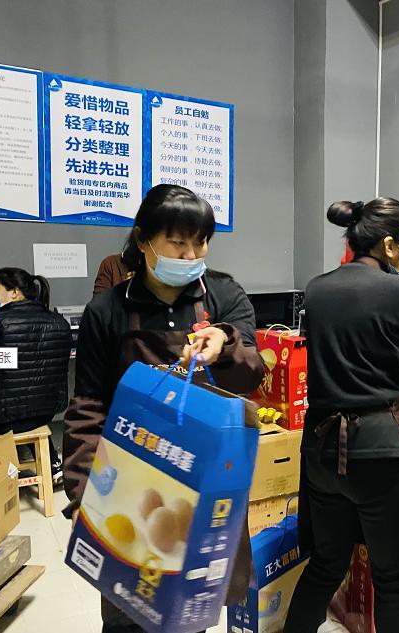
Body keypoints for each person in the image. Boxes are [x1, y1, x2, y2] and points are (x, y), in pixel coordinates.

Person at [62, 184, 265, 633]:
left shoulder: (223, 296)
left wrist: (225, 345)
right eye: (178, 242)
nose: (192, 254)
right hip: (130, 481)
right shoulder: (108, 310)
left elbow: (251, 375)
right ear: (143, 240)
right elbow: (88, 406)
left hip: (203, 481)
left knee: (189, 610)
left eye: (201, 242)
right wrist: (82, 493)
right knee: (126, 602)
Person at [285, 198, 399, 633]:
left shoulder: (317, 289)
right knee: (393, 580)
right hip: (380, 450)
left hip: (321, 449)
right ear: (390, 246)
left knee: (326, 564)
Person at [0, 269, 72, 482]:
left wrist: (3, 358)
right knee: (24, 405)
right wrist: (8, 358)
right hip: (45, 412)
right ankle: (53, 465)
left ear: (15, 292)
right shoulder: (59, 322)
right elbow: (22, 361)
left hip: (3, 419)